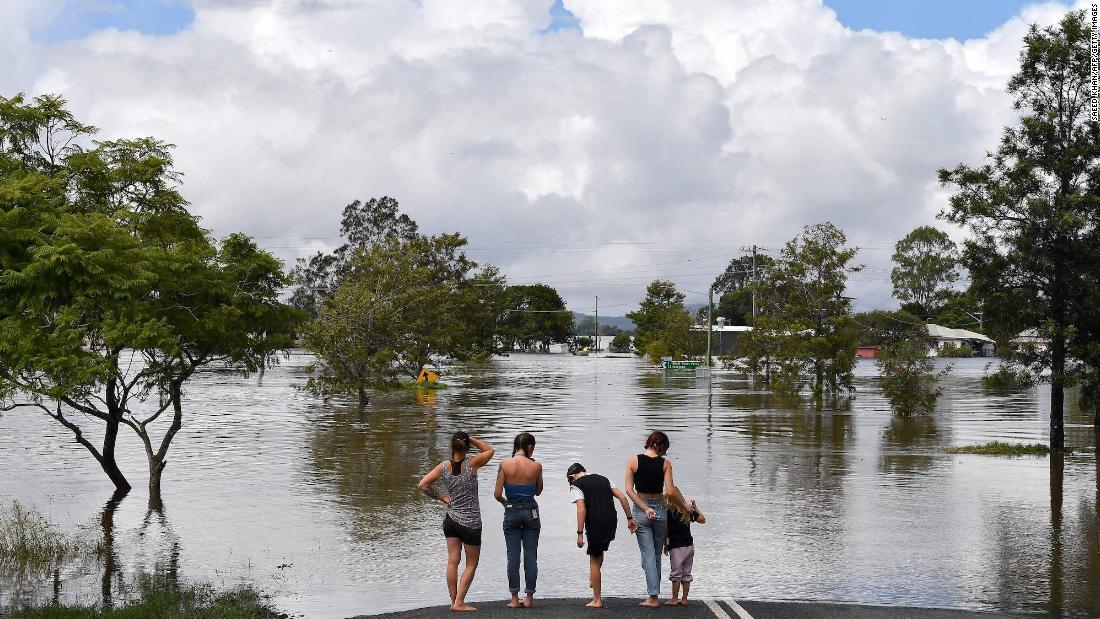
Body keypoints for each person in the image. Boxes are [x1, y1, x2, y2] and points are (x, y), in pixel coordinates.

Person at [418, 431, 495, 612]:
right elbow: (490, 450)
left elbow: (422, 485)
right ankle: (459, 603)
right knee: (471, 563)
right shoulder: (472, 463)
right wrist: (473, 439)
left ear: (451, 446)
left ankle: (453, 602)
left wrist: (443, 498)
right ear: (466, 447)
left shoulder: (443, 467)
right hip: (471, 522)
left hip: (451, 519)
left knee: (453, 561)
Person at [624, 430, 690, 607]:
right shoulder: (665, 464)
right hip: (660, 509)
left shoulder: (633, 460)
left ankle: (653, 597)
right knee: (656, 554)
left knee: (648, 555)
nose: (666, 453)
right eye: (665, 448)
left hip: (641, 509)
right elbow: (669, 491)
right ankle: (655, 595)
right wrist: (685, 507)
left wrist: (644, 508)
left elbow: (629, 490)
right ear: (660, 446)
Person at [567, 462, 637, 609]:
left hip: (595, 522)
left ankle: (597, 599)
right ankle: (594, 576)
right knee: (599, 551)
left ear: (572, 476)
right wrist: (630, 518)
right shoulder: (604, 479)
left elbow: (581, 509)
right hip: (611, 521)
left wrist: (580, 533)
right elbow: (623, 498)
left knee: (594, 558)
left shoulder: (577, 484)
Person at [493, 432, 543, 608]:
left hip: (512, 510)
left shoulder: (505, 464)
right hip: (531, 511)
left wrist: (506, 503)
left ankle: (514, 599)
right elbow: (538, 491)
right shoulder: (536, 466)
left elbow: (497, 494)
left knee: (513, 556)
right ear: (530, 447)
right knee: (531, 556)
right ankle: (529, 598)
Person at [664, 498, 706, 606]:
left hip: (676, 547)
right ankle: (684, 599)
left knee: (676, 574)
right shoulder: (686, 511)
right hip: (689, 546)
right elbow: (702, 519)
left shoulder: (669, 512)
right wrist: (695, 507)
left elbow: (666, 531)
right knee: (687, 573)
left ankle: (674, 599)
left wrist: (666, 545)